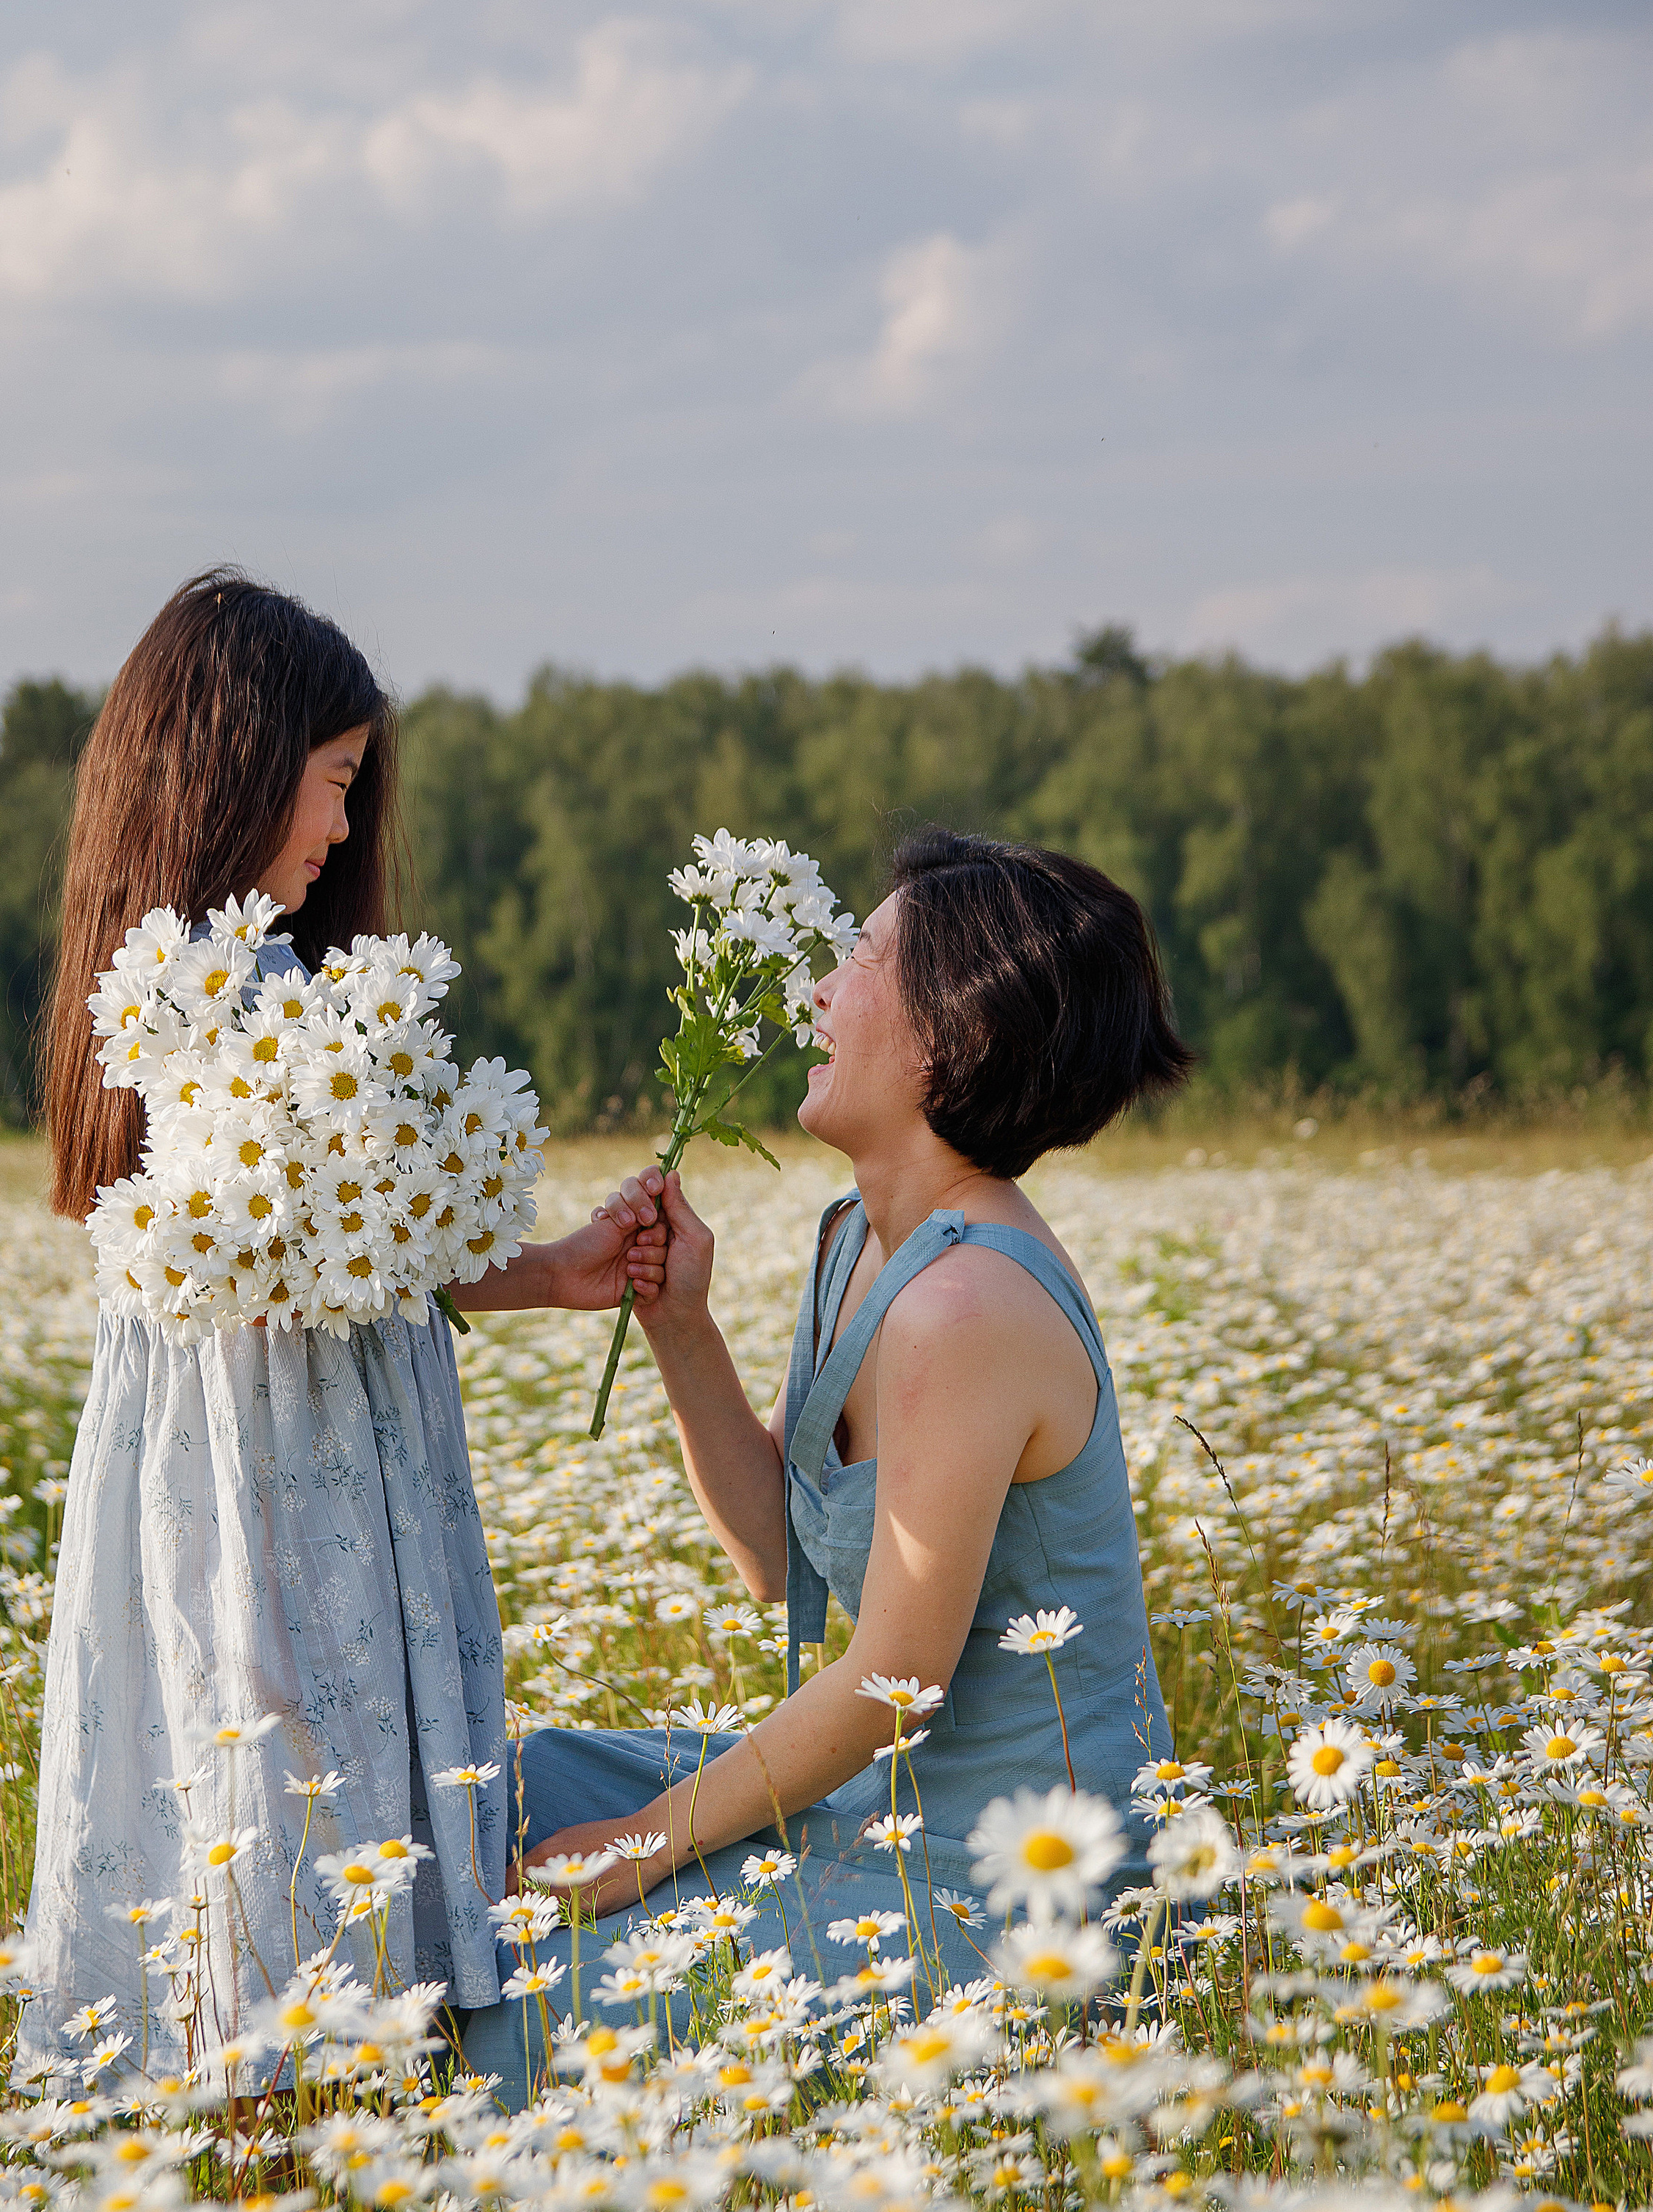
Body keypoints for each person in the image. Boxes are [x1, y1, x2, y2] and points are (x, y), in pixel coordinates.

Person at [18, 570, 655, 2090]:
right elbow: (315, 1257)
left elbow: (365, 1251)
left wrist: (554, 1270)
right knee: (280, 1737)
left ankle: (294, 2076)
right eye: (335, 780)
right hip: (270, 1466)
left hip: (291, 1449)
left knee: (264, 1752)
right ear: (229, 773)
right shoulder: (212, 1011)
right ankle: (297, 2082)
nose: (345, 826)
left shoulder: (238, 993)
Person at [456, 829, 1190, 2100]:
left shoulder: (967, 1306)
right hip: (886, 1804)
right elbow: (774, 1558)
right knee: (516, 1794)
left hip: (1015, 1878)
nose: (815, 991)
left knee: (521, 2011)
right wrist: (681, 1326)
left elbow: (893, 1680)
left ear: (949, 1037)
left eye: (859, 961)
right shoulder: (858, 1236)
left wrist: (641, 1848)